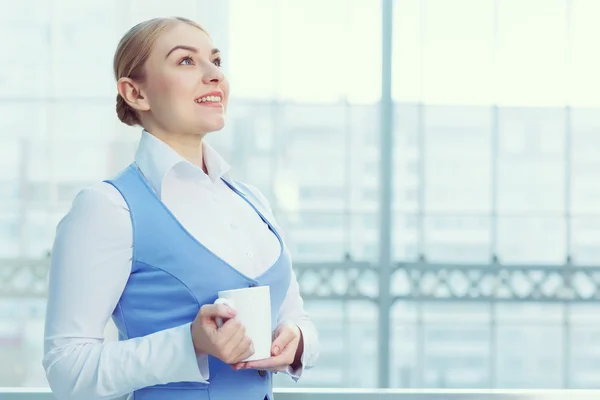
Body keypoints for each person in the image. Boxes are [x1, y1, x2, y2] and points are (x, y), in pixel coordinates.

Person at [42, 16, 319, 400]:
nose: (214, 76)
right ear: (135, 93)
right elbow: (66, 369)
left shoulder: (253, 202)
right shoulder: (107, 209)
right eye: (186, 61)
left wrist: (298, 340)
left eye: (216, 61)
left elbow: (295, 316)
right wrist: (190, 343)